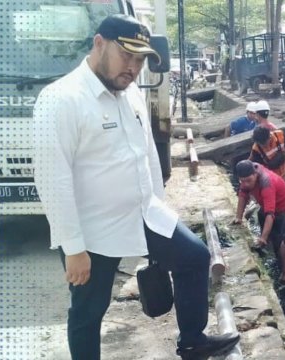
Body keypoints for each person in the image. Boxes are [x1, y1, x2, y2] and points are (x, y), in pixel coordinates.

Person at [32, 14, 239, 360]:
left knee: (195, 257)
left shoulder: (129, 94)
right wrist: (73, 247)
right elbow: (53, 178)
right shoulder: (61, 99)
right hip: (93, 230)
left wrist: (161, 207)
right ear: (99, 44)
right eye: (126, 55)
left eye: (140, 59)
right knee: (88, 311)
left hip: (143, 214)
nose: (133, 67)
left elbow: (146, 160)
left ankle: (192, 340)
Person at [232, 160, 285, 250]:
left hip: (284, 209)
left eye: (249, 181)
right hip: (266, 205)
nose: (246, 184)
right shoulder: (246, 177)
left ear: (255, 174)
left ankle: (272, 247)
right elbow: (242, 195)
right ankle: (266, 245)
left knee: (279, 240)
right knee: (261, 215)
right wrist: (238, 218)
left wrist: (263, 238)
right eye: (242, 181)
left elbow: (270, 214)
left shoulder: (266, 182)